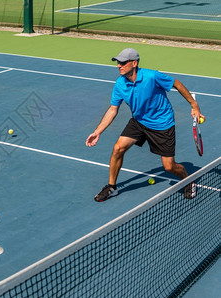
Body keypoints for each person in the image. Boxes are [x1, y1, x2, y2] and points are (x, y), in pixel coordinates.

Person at [86, 48, 203, 202]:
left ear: (134, 63)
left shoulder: (152, 76)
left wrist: (194, 105)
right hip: (139, 121)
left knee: (169, 167)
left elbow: (177, 84)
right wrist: (97, 131)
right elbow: (113, 109)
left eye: (122, 62)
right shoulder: (120, 84)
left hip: (162, 124)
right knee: (118, 148)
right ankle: (112, 187)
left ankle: (188, 180)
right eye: (118, 63)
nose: (119, 65)